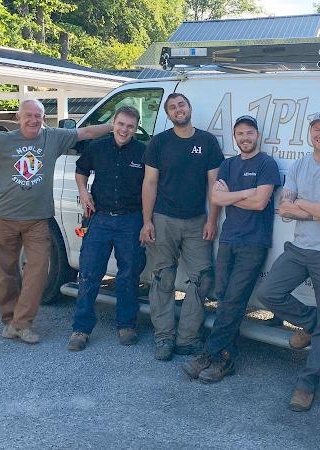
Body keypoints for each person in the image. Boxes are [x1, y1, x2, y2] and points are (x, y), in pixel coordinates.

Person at [0, 99, 112, 344]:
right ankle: (9, 321)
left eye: (38, 116)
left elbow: (87, 132)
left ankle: (23, 323)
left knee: (38, 271)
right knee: (6, 272)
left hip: (38, 220)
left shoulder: (52, 137)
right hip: (4, 217)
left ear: (43, 118)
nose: (33, 120)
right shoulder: (1, 140)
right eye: (28, 115)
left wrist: (114, 125)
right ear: (18, 117)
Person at [254, 111, 320, 412]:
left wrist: (303, 204)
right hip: (300, 247)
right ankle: (312, 323)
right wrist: (315, 210)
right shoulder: (299, 165)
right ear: (310, 133)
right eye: (316, 130)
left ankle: (306, 384)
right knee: (269, 292)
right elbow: (285, 208)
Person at [181, 115, 280, 383]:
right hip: (228, 239)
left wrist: (231, 197)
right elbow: (215, 197)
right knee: (224, 298)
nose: (245, 138)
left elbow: (260, 203)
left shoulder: (267, 164)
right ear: (235, 137)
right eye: (240, 134)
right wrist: (245, 193)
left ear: (257, 135)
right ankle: (226, 358)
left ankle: (208, 354)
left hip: (254, 242)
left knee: (234, 299)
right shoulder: (228, 164)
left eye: (249, 133)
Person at [140, 93, 224, 361]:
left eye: (182, 105)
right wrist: (147, 221)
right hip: (163, 219)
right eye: (173, 107)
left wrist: (212, 219)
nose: (178, 109)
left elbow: (214, 185)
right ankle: (164, 338)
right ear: (168, 114)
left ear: (189, 108)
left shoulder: (207, 142)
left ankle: (187, 338)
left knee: (202, 279)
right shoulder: (159, 142)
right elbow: (149, 183)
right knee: (162, 278)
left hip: (197, 221)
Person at [67, 106, 147, 352]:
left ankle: (126, 326)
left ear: (136, 128)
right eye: (121, 124)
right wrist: (83, 192)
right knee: (89, 273)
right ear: (114, 123)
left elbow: (152, 184)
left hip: (131, 220)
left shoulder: (143, 152)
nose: (124, 130)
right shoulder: (97, 147)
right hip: (100, 219)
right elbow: (81, 170)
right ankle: (81, 329)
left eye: (130, 126)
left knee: (128, 275)